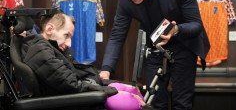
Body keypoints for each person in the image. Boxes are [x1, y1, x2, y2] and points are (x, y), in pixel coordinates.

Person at [100, 0, 210, 110]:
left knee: (182, 103)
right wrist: (106, 68)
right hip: (154, 47)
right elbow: (117, 34)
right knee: (155, 103)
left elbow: (196, 25)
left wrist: (176, 30)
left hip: (184, 45)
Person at [8, 10, 153, 110]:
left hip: (74, 95)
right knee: (128, 100)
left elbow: (77, 75)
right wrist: (110, 90)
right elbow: (72, 85)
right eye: (66, 35)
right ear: (50, 29)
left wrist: (110, 84)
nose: (69, 43)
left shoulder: (49, 48)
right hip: (68, 101)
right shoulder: (40, 51)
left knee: (131, 89)